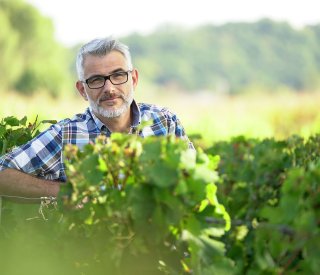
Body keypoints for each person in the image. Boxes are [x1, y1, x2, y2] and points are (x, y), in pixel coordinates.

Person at [0, 37, 194, 201]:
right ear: (82, 90)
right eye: (96, 80)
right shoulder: (66, 135)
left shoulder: (164, 122)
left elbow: (193, 177)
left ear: (133, 79)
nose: (109, 88)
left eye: (118, 75)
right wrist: (66, 193)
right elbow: (3, 173)